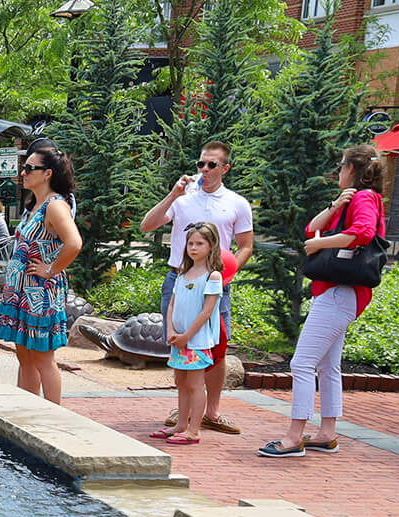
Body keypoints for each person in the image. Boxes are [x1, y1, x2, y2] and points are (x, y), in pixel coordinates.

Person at [260, 145, 385, 459]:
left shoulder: (365, 198)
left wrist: (319, 244)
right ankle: (327, 433)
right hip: (337, 292)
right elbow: (311, 227)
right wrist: (333, 206)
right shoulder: (351, 199)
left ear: (353, 169)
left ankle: (293, 437)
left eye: (342, 165)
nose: (338, 170)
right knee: (329, 367)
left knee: (301, 363)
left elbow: (364, 233)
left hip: (340, 292)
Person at [140, 139, 254, 434]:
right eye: (200, 163)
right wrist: (174, 193)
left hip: (215, 284)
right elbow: (147, 225)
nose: (204, 169)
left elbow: (245, 246)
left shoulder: (236, 203)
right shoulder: (183, 197)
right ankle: (185, 409)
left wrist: (226, 273)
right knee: (179, 340)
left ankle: (211, 412)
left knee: (214, 347)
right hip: (179, 279)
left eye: (211, 164)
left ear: (225, 168)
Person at [0, 145, 83, 403]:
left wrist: (51, 269)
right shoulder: (34, 205)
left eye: (30, 168)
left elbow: (74, 243)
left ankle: (53, 416)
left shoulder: (55, 206)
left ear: (48, 174)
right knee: (25, 356)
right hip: (21, 293)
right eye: (24, 167)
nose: (23, 173)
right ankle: (25, 411)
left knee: (42, 357)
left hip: (40, 292)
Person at [159, 224, 224, 447]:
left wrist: (187, 335)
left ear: (211, 245)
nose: (193, 248)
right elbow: (171, 306)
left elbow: (207, 311)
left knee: (196, 385)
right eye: (190, 243)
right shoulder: (183, 274)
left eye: (199, 244)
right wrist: (171, 331)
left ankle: (194, 429)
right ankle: (181, 424)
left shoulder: (212, 276)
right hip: (178, 340)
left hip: (196, 342)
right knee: (180, 382)